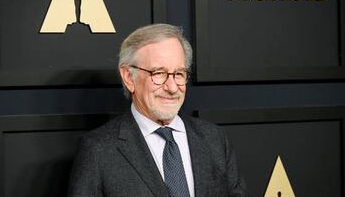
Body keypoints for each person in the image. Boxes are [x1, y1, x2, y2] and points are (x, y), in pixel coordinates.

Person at [68, 24, 247, 197]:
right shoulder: (98, 150)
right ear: (129, 77)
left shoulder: (214, 139)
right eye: (158, 73)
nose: (172, 87)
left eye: (179, 74)